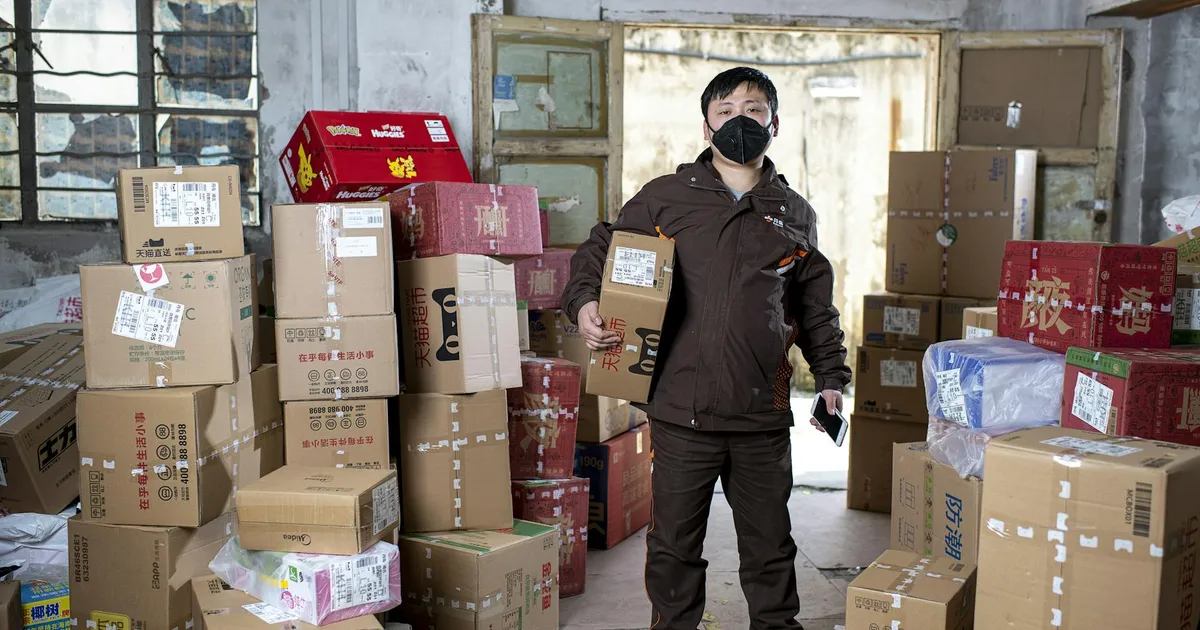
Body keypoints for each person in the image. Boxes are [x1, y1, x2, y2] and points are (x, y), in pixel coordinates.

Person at [560, 67, 852, 630]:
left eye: (754, 109)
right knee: (673, 548)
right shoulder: (666, 199)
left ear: (773, 123)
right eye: (725, 111)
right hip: (680, 410)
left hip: (759, 414)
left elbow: (816, 309)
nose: (739, 120)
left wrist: (833, 380)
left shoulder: (794, 213)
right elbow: (604, 244)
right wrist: (584, 302)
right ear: (705, 126)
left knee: (769, 548)